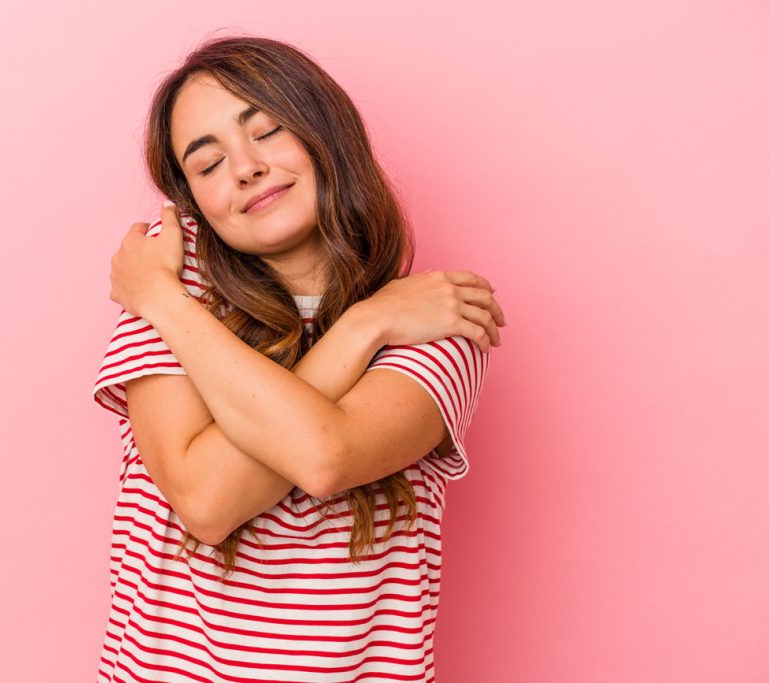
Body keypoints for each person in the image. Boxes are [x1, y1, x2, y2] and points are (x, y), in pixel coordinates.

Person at [92, 35, 506, 683]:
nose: (245, 168)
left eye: (268, 130)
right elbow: (205, 498)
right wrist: (168, 302)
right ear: (195, 200)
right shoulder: (179, 287)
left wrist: (370, 317)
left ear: (325, 134)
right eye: (207, 165)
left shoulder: (436, 319)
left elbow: (323, 455)